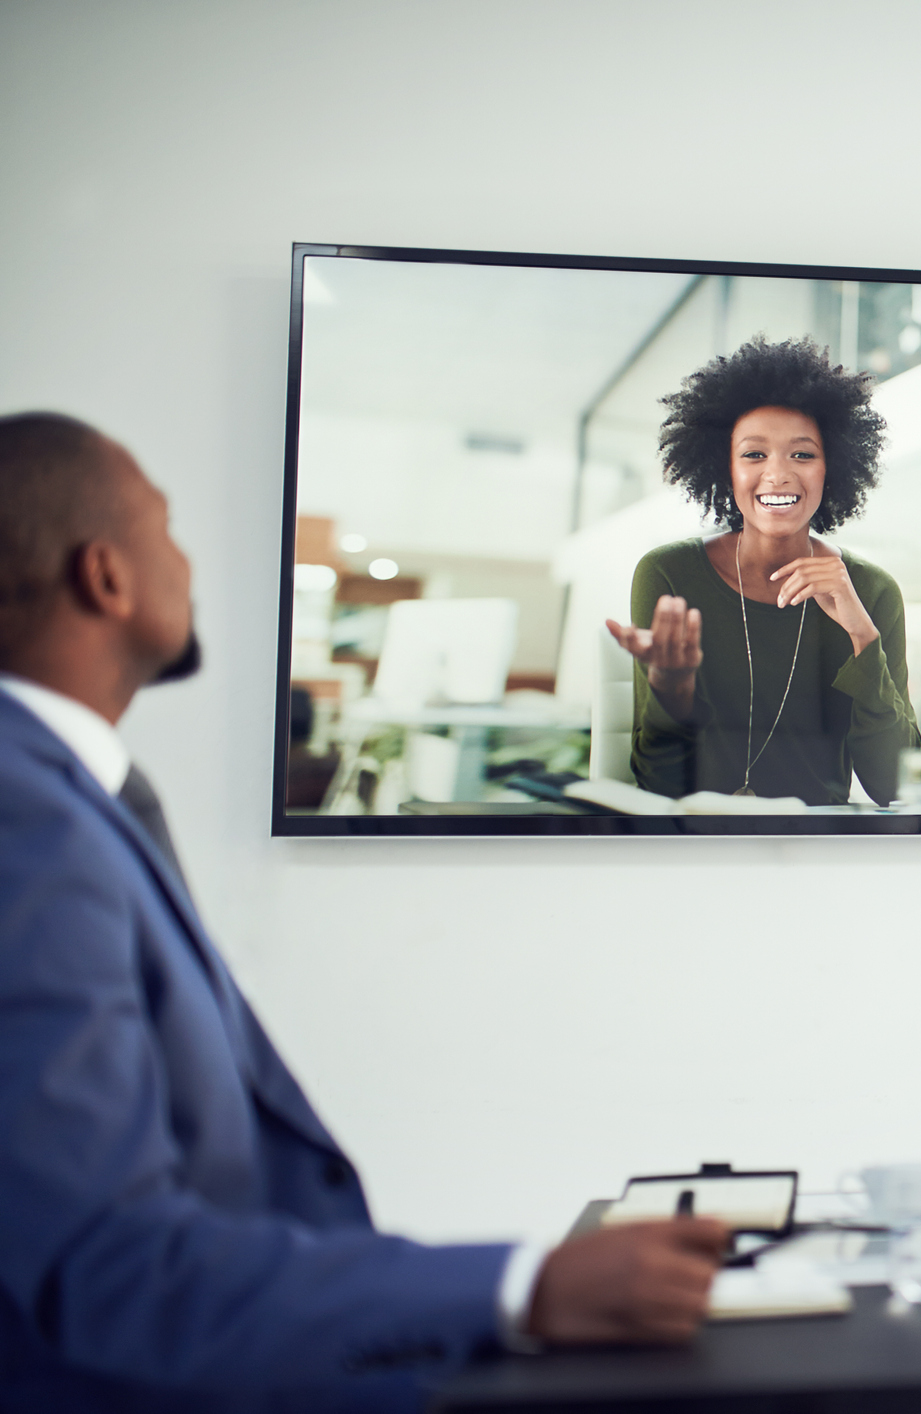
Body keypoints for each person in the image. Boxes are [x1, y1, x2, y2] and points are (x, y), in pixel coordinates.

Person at [0, 412, 732, 1413]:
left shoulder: (62, 797)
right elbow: (104, 1261)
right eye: (163, 527)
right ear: (106, 577)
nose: (187, 556)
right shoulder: (20, 817)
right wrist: (525, 1285)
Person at [605, 336, 920, 807]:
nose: (777, 474)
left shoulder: (872, 591)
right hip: (695, 846)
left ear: (831, 468)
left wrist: (862, 637)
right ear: (723, 468)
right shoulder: (669, 573)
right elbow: (660, 784)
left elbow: (894, 787)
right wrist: (671, 690)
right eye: (754, 455)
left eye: (803, 454)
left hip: (816, 851)